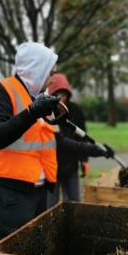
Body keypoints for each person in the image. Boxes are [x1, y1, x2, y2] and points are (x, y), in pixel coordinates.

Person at [0, 42, 114, 242]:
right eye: (50, 73)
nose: (53, 78)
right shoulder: (3, 91)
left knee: (36, 247)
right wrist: (32, 112)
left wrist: (96, 151)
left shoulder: (42, 99)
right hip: (13, 193)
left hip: (41, 190)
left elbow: (58, 142)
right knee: (14, 251)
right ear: (37, 70)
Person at [46, 73, 87, 207]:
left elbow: (82, 136)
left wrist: (84, 160)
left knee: (75, 204)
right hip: (52, 168)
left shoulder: (75, 110)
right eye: (58, 95)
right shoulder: (47, 113)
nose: (61, 99)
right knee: (50, 206)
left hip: (71, 166)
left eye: (64, 95)